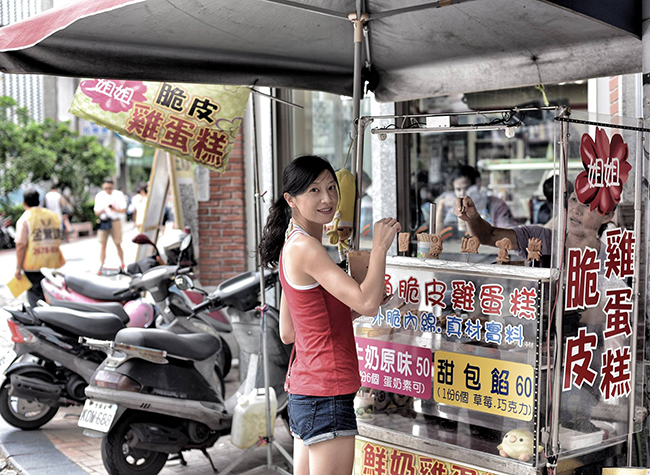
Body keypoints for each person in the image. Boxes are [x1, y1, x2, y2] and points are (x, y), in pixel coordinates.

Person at [259, 155, 400, 475]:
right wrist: (379, 249)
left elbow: (290, 332)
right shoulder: (307, 248)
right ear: (290, 200)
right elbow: (367, 303)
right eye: (313, 190)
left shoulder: (292, 244)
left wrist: (342, 310)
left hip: (305, 391)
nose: (327, 198)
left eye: (331, 188)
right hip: (326, 392)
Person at [14, 188, 65, 307]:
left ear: (24, 203)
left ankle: (42, 321)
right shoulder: (53, 215)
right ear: (40, 200)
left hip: (33, 264)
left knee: (35, 295)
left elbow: (21, 244)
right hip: (52, 261)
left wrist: (18, 267)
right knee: (51, 291)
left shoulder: (25, 218)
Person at [436, 165, 516, 238]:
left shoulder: (497, 205)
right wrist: (441, 207)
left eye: (467, 188)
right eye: (458, 189)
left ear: (477, 185)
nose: (462, 194)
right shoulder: (455, 207)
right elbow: (439, 236)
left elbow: (506, 237)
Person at [94, 178, 127, 273]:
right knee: (103, 245)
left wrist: (114, 209)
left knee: (118, 243)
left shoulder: (118, 194)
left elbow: (123, 210)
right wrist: (103, 210)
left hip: (115, 221)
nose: (108, 190)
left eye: (110, 188)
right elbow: (96, 212)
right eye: (106, 188)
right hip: (104, 221)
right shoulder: (100, 195)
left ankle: (122, 264)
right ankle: (102, 265)